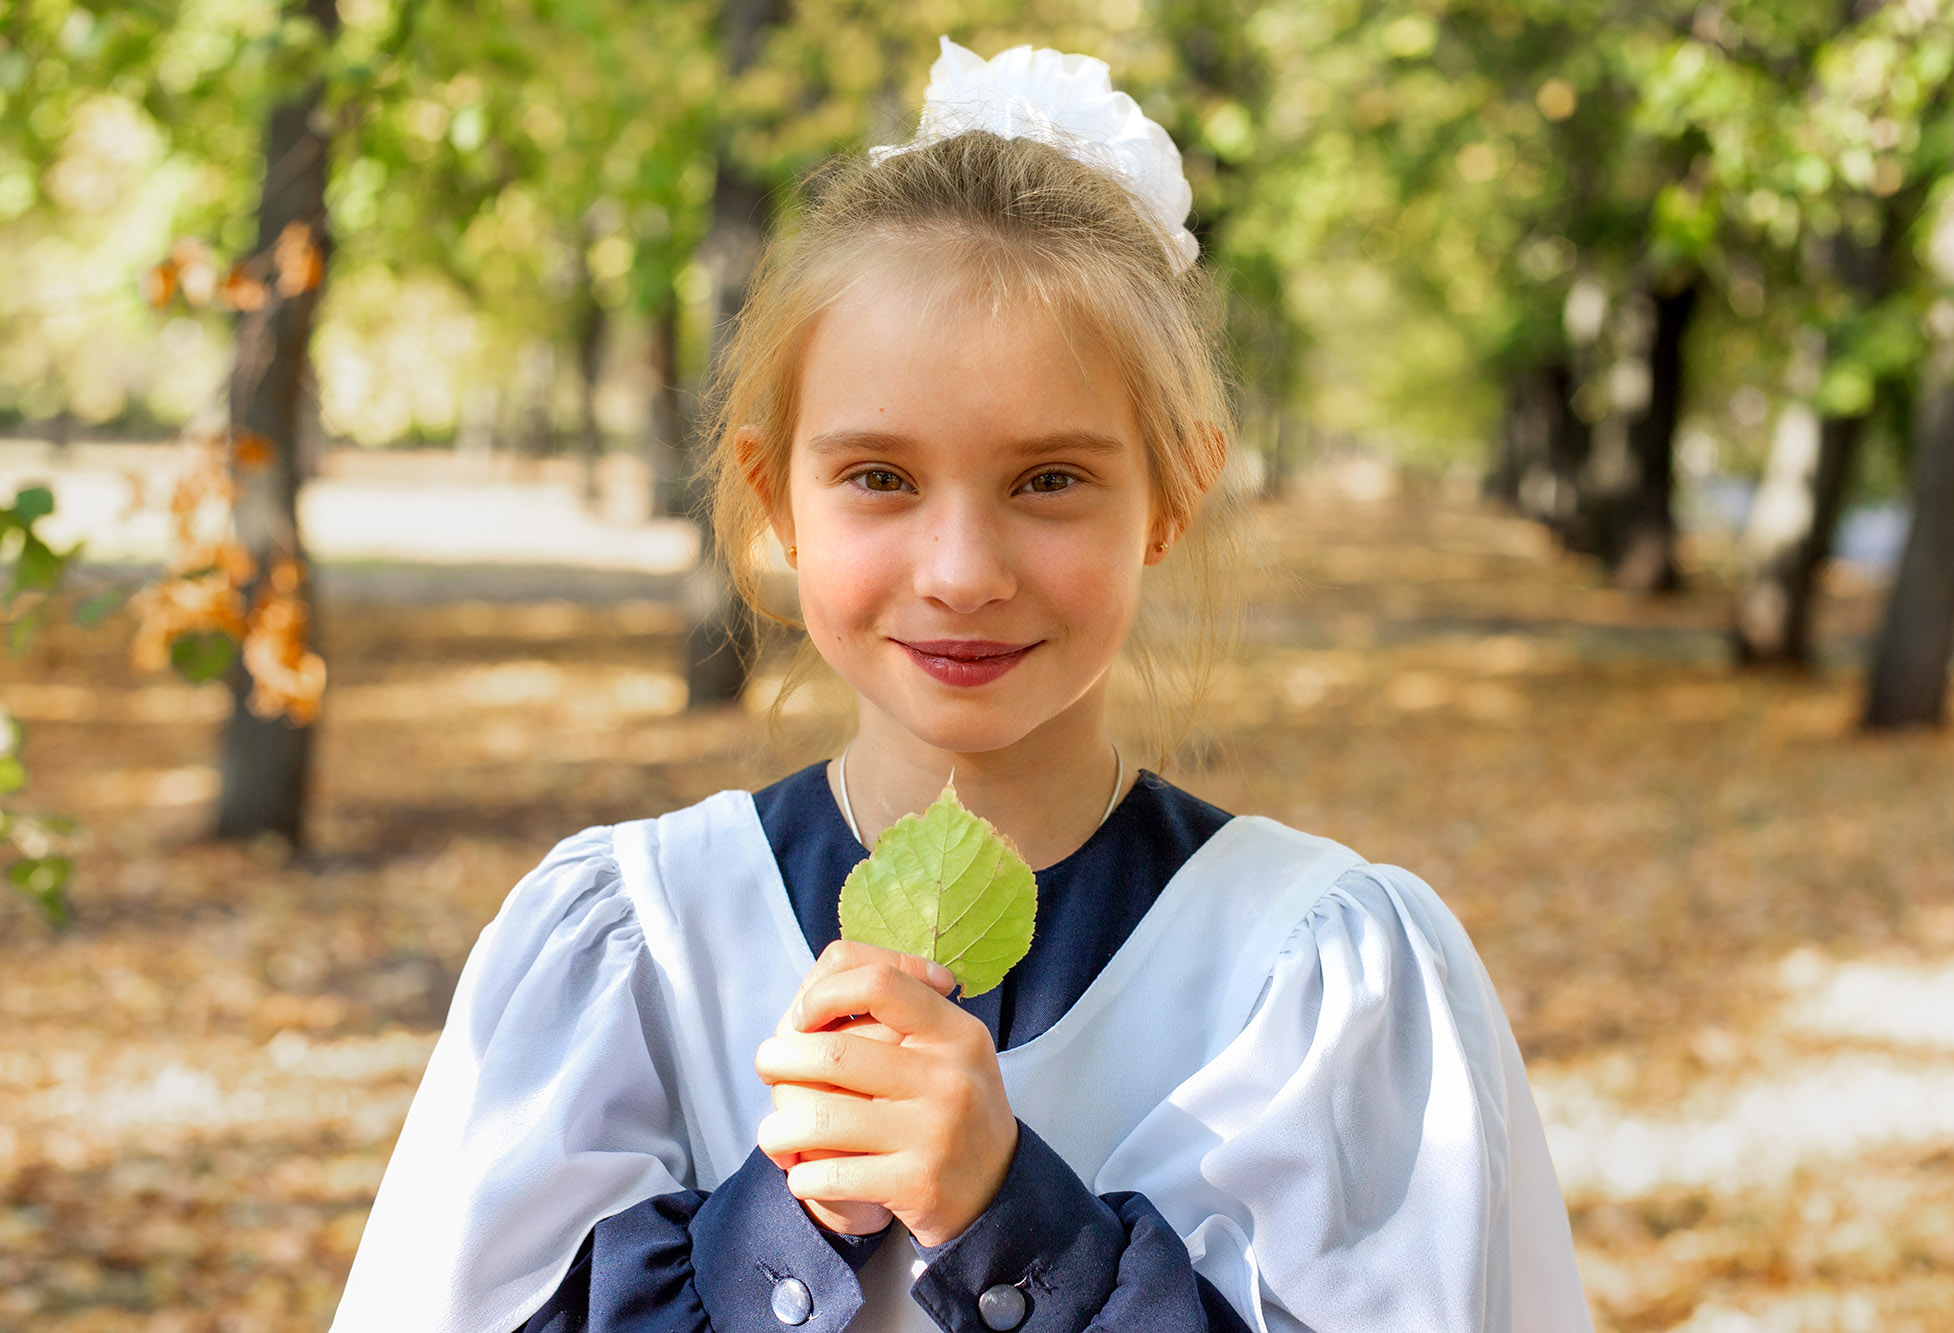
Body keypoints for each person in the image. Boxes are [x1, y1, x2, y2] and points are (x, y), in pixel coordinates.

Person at [328, 35, 1594, 1333]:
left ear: (1172, 494)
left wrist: (1011, 1219)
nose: (962, 569)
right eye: (880, 475)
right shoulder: (633, 955)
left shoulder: (1316, 981)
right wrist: (788, 1220)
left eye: (1049, 479)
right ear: (779, 500)